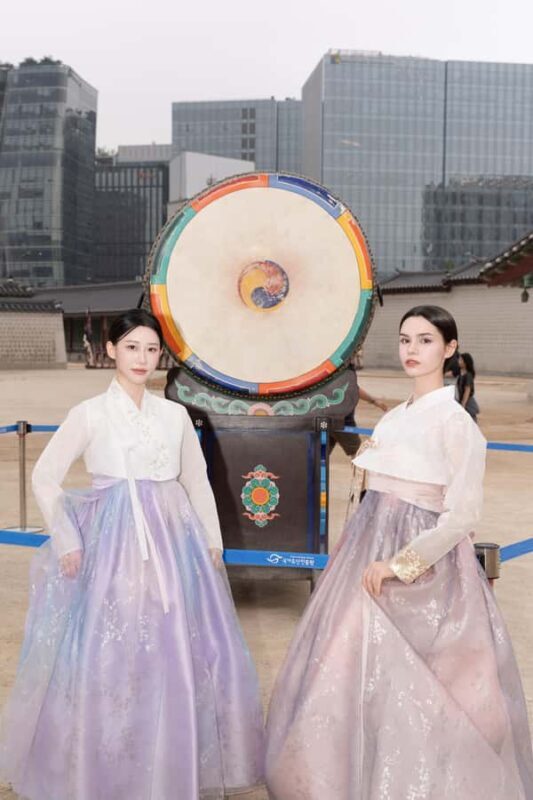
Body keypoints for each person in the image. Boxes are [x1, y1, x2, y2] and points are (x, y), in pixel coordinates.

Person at [265, 305, 533, 800]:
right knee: (349, 666)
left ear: (449, 349)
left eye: (426, 340)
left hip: (420, 564)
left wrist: (400, 565)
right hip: (368, 551)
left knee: (420, 678)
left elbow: (461, 517)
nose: (412, 350)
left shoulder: (456, 424)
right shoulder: (394, 416)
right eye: (406, 340)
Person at [0, 309, 264, 800]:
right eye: (131, 347)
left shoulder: (175, 414)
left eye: (150, 349)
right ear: (110, 350)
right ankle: (106, 763)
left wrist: (212, 543)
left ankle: (165, 762)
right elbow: (45, 476)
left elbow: (196, 482)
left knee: (175, 651)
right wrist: (69, 540)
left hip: (174, 541)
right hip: (112, 545)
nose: (142, 358)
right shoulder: (89, 413)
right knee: (110, 652)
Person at [457, 351, 480, 421]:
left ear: (465, 362)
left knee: (471, 421)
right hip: (462, 400)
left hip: (468, 402)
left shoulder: (468, 375)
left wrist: (463, 404)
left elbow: (467, 390)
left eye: (461, 360)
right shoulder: (461, 374)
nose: (458, 361)